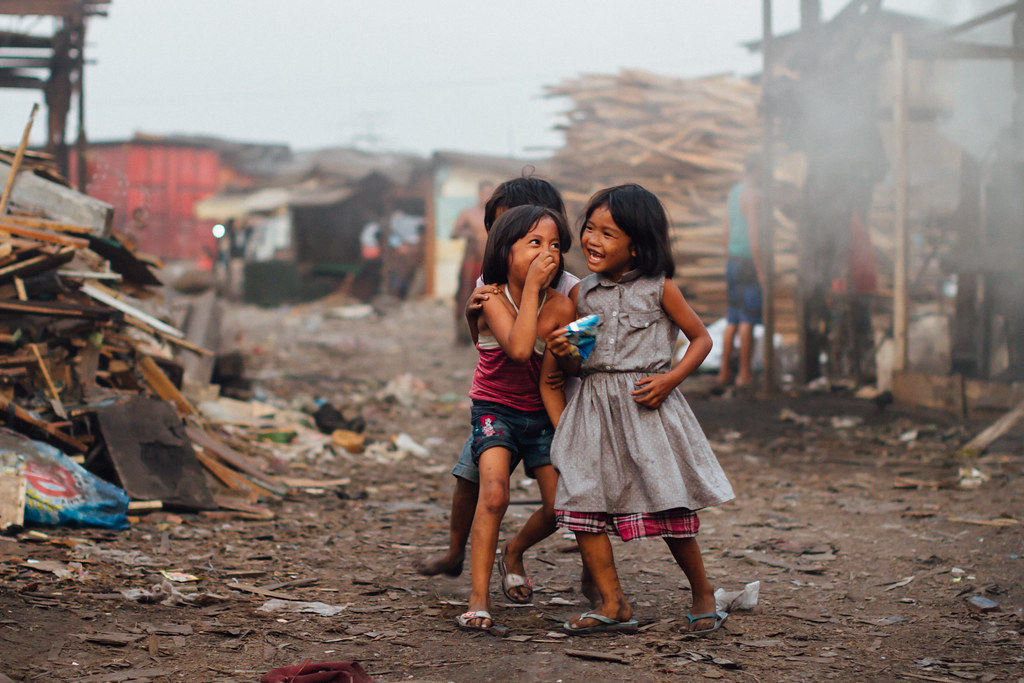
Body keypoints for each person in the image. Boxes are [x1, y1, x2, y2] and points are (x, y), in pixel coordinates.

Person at [545, 184, 735, 636]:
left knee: (669, 504)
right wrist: (563, 350)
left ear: (637, 244)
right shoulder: (582, 295)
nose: (592, 240)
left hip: (646, 409)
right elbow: (575, 365)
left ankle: (703, 593)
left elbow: (701, 338)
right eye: (589, 228)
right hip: (593, 412)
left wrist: (671, 379)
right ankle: (613, 603)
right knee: (583, 504)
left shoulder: (660, 289)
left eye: (607, 233)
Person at [415, 177, 589, 606]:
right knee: (472, 479)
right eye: (498, 227)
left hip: (554, 405)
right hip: (498, 405)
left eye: (546, 240)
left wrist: (570, 351)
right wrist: (472, 318)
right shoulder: (490, 284)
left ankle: (585, 572)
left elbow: (578, 356)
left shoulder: (570, 290)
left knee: (575, 497)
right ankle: (457, 553)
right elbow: (496, 343)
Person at [455, 205, 576, 631]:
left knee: (559, 507)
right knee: (494, 495)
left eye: (555, 245)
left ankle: (514, 550)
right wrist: (531, 292)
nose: (548, 253)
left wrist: (566, 430)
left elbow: (556, 376)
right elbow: (520, 349)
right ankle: (478, 598)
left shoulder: (561, 306)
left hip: (539, 412)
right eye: (535, 243)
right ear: (505, 251)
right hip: (495, 410)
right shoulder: (490, 297)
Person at [717, 157, 764, 391]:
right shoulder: (754, 196)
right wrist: (760, 269)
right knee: (748, 319)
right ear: (758, 170)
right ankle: (744, 374)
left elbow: (726, 229)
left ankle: (724, 371)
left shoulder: (734, 192)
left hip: (733, 260)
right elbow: (754, 234)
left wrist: (729, 255)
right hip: (747, 261)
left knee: (732, 318)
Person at [452, 181, 494, 345]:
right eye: (484, 193)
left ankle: (488, 334)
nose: (486, 196)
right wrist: (468, 233)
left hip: (489, 262)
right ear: (479, 193)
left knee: (490, 297)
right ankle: (462, 334)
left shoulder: (496, 215)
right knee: (464, 295)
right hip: (471, 262)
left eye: (490, 193)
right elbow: (454, 232)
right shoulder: (468, 213)